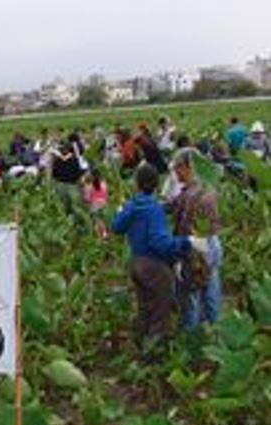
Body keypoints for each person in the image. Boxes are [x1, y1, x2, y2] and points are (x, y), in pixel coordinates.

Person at [111, 163, 207, 356]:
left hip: (136, 262)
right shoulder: (153, 208)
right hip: (153, 266)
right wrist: (188, 242)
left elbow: (116, 226)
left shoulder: (133, 205)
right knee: (160, 312)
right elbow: (160, 243)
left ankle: (140, 346)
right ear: (156, 185)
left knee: (144, 306)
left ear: (137, 184)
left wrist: (123, 210)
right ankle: (153, 356)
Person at [169, 149, 223, 329]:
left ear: (187, 167)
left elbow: (183, 228)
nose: (175, 173)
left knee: (189, 292)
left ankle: (192, 338)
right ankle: (213, 331)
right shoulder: (207, 187)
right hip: (213, 242)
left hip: (196, 245)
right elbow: (172, 204)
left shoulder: (189, 196)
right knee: (211, 288)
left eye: (177, 168)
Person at [82, 169, 108, 239]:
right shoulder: (103, 183)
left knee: (96, 221)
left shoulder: (89, 186)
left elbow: (87, 198)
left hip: (94, 205)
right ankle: (105, 234)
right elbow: (106, 195)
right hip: (103, 203)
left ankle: (99, 237)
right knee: (102, 219)